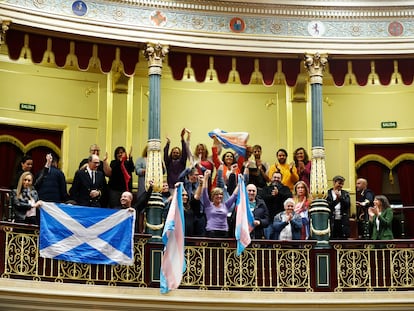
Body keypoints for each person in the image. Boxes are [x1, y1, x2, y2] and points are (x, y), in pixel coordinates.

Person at [199, 169, 238, 238]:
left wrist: (240, 183)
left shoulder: (225, 205)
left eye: (221, 194)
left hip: (224, 232)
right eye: (216, 194)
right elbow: (204, 192)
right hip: (211, 232)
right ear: (212, 196)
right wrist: (205, 178)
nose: (219, 196)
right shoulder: (208, 205)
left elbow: (234, 195)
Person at [259, 171, 292, 239]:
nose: (276, 179)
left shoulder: (285, 189)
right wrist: (273, 196)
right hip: (269, 218)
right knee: (268, 237)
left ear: (281, 179)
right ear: (271, 178)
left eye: (278, 178)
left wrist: (278, 194)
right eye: (275, 177)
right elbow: (262, 198)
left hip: (282, 218)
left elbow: (289, 198)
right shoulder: (266, 188)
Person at [327, 175, 351, 239]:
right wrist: (336, 200)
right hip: (332, 220)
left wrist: (340, 198)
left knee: (342, 240)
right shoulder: (328, 193)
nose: (341, 186)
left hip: (342, 220)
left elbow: (347, 205)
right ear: (334, 183)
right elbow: (328, 206)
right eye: (339, 183)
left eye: (342, 184)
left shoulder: (345, 193)